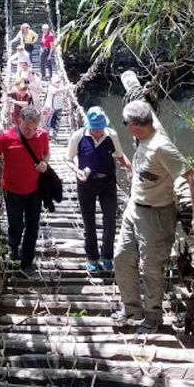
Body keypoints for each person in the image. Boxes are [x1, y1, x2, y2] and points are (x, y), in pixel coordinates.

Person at [111, 99, 194, 334]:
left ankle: (153, 317)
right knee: (122, 258)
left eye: (126, 124)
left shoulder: (161, 146)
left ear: (134, 125)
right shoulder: (143, 137)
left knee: (150, 268)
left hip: (156, 216)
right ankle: (132, 309)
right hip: (134, 209)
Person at [0, 107, 49, 276]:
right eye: (26, 128)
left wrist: (45, 163)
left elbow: (46, 153)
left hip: (35, 190)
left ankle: (26, 264)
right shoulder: (6, 136)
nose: (30, 132)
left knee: (33, 227)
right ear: (19, 122)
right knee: (16, 226)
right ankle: (14, 249)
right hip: (12, 191)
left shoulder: (42, 135)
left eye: (33, 128)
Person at [66, 106, 132, 273]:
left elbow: (119, 155)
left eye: (100, 128)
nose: (98, 131)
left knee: (110, 220)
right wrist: (77, 170)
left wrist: (132, 168)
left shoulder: (111, 135)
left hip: (107, 183)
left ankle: (107, 256)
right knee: (89, 222)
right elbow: (68, 159)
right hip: (86, 183)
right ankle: (92, 258)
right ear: (89, 125)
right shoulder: (78, 136)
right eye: (95, 128)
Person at [43, 73, 65, 140]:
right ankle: (47, 137)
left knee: (56, 122)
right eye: (56, 82)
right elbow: (56, 91)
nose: (58, 83)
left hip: (58, 107)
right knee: (49, 123)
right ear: (52, 82)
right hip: (50, 108)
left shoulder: (61, 87)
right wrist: (68, 87)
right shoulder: (50, 87)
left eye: (59, 82)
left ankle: (54, 137)